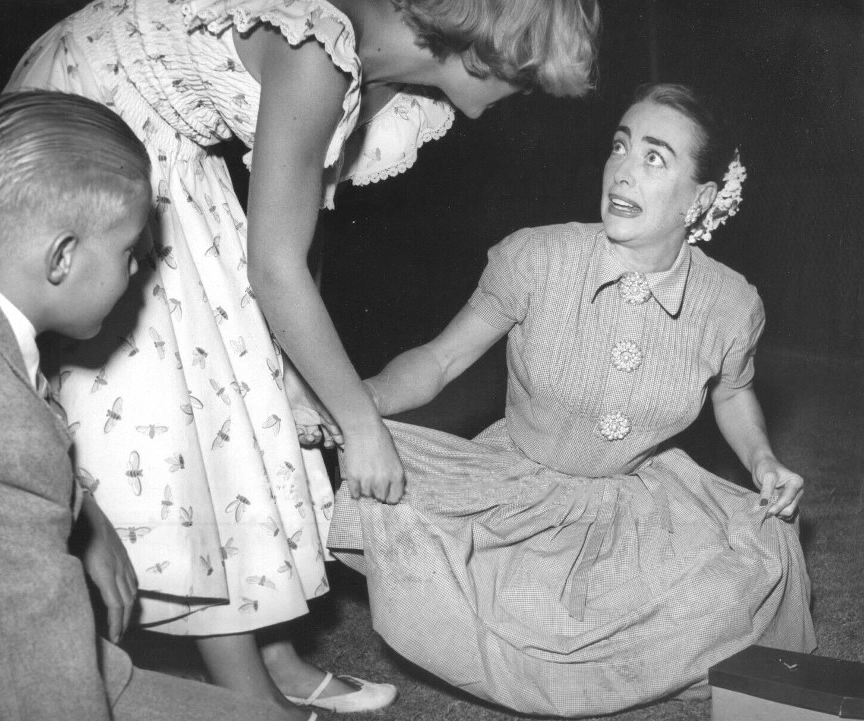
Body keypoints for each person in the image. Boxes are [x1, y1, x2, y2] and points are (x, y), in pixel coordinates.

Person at [3, 0, 601, 713]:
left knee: (246, 365)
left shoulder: (379, 76)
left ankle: (276, 652)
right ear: (485, 55)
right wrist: (363, 426)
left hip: (168, 137)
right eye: (526, 82)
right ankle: (245, 692)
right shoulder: (321, 50)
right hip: (86, 118)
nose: (521, 102)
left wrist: (291, 375)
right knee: (194, 395)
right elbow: (275, 270)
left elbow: (296, 241)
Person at [327, 83, 817, 717]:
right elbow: (439, 360)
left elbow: (734, 392)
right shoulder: (537, 256)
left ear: (700, 200)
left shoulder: (730, 303)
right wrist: (352, 402)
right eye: (621, 145)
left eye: (654, 157)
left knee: (757, 560)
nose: (622, 170)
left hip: (638, 501)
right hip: (516, 488)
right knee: (399, 515)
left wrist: (763, 462)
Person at [0, 90, 313, 721]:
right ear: (62, 257)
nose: (136, 274)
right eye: (130, 253)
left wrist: (84, 516)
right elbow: (38, 695)